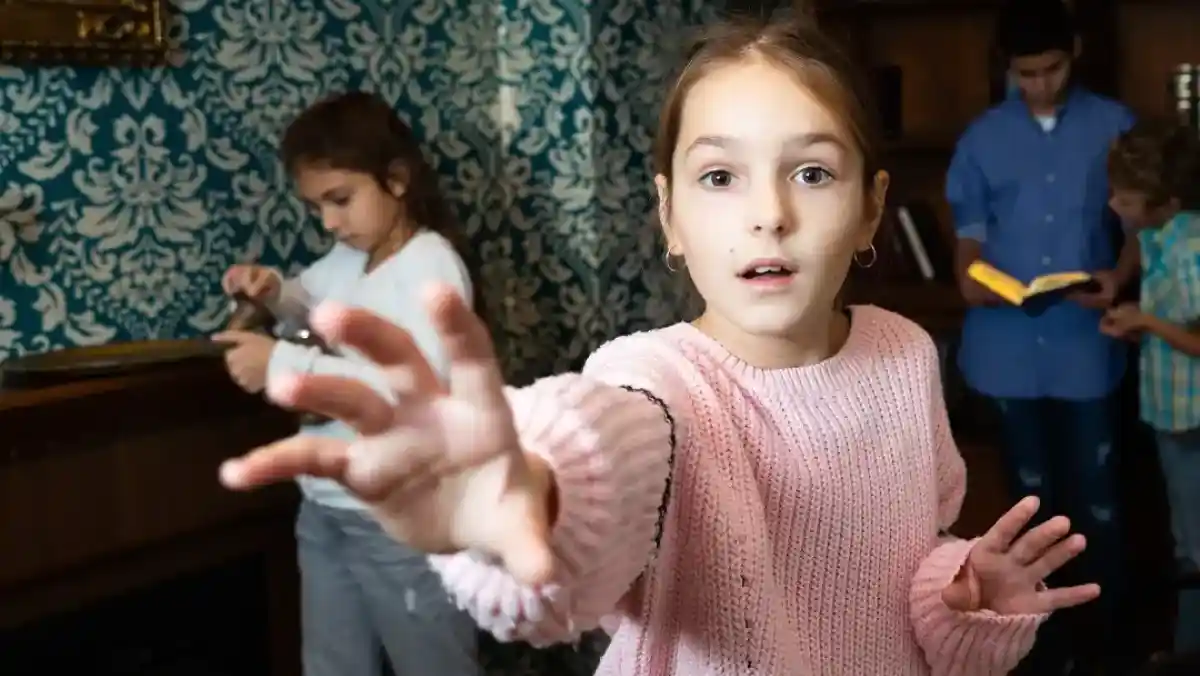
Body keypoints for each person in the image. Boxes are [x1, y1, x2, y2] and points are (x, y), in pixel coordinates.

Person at [218, 17, 1101, 675]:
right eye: (719, 176)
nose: (769, 213)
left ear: (871, 209)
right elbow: (589, 469)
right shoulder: (653, 381)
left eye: (811, 172)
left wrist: (960, 592)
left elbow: (901, 565)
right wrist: (523, 499)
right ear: (670, 215)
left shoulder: (904, 354)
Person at [213, 91, 482, 676]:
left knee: (432, 665)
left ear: (397, 179)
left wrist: (282, 364)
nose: (329, 222)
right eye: (317, 207)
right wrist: (273, 292)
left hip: (405, 516)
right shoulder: (347, 259)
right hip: (327, 506)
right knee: (332, 664)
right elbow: (310, 302)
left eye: (340, 200)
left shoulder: (431, 268)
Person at [946, 1, 1136, 671]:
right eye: (1025, 74)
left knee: (1100, 501)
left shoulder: (1115, 126)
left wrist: (1119, 276)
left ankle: (1110, 648)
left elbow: (1141, 227)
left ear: (1074, 52)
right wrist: (980, 282)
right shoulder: (981, 140)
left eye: (1051, 69)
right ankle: (1041, 653)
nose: (1039, 85)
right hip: (1006, 353)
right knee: (1028, 508)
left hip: (1087, 346)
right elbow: (968, 257)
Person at [1101, 120, 1200, 658]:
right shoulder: (1155, 238)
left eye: (1125, 198)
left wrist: (1146, 320)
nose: (1113, 205)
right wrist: (1136, 325)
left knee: (1195, 545)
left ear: (1166, 202)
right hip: (1170, 410)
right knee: (1184, 538)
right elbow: (1174, 327)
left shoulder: (1190, 247)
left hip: (1193, 417)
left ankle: (1187, 652)